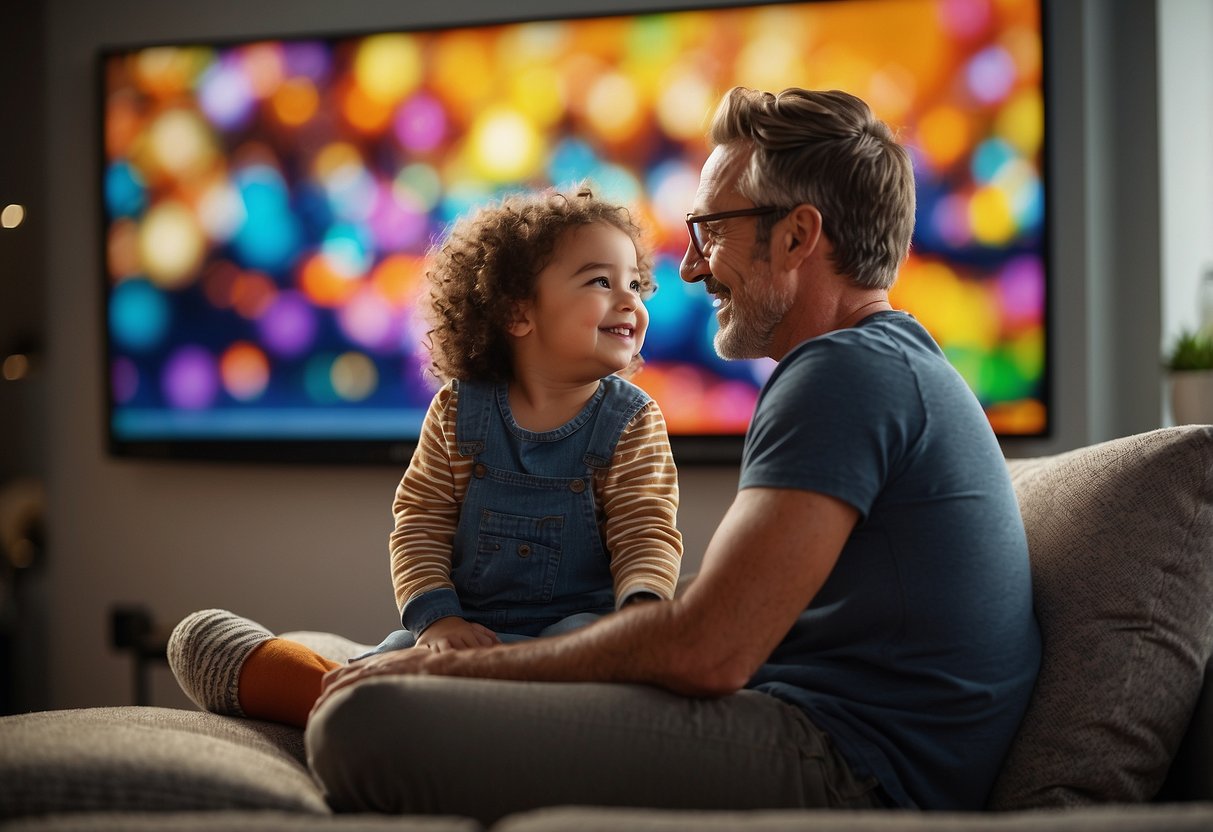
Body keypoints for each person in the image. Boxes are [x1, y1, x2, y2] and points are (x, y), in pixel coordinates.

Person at [304, 86, 1041, 822]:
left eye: (710, 229)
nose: (688, 268)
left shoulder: (845, 374)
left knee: (362, 725)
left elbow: (707, 652)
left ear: (796, 236)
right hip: (826, 733)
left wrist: (467, 669)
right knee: (376, 678)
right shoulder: (881, 362)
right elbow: (721, 626)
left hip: (851, 767)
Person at [167, 185, 683, 728]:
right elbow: (419, 525)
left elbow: (646, 530)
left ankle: (427, 715)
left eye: (636, 285)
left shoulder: (632, 420)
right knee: (391, 658)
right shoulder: (459, 412)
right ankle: (340, 695)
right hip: (467, 631)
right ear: (518, 312)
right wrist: (436, 621)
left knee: (585, 659)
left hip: (569, 639)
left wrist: (640, 620)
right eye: (602, 282)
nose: (632, 302)